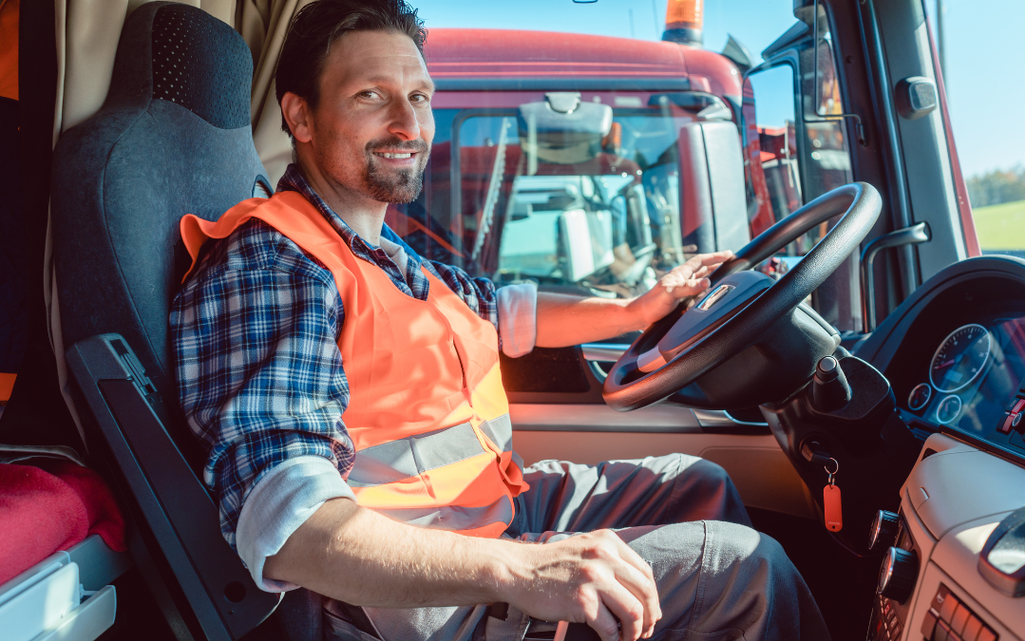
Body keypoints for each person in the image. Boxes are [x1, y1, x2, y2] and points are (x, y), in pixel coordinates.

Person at [170, 1, 830, 639]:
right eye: (372, 96)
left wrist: (639, 307)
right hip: (411, 602)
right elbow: (287, 526)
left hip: (479, 517)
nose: (409, 124)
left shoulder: (378, 250)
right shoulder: (276, 261)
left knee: (699, 484)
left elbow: (501, 309)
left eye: (421, 97)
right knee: (749, 573)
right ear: (301, 117)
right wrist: (519, 569)